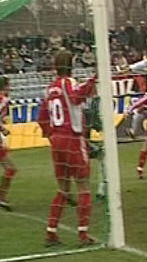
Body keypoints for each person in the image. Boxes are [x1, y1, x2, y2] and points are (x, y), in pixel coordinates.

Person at [38, 50, 96, 246]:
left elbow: (42, 117)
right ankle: (82, 234)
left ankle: (51, 232)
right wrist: (92, 81)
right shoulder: (68, 82)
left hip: (56, 140)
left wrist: (51, 137)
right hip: (72, 137)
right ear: (71, 65)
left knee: (63, 188)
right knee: (84, 185)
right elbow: (75, 98)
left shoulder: (49, 88)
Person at [0, 77, 17, 211]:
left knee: (10, 169)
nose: (10, 88)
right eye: (9, 86)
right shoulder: (3, 100)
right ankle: (2, 197)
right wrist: (3, 128)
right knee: (10, 168)